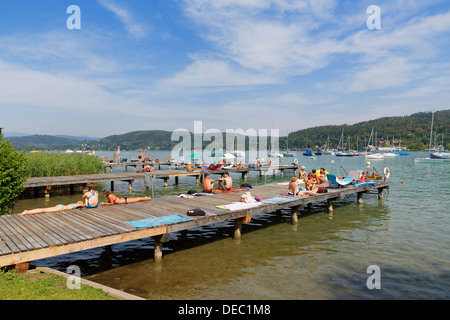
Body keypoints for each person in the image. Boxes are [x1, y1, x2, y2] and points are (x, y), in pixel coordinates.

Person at [20, 201, 85, 216]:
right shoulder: (77, 205)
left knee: (44, 209)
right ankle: (27, 212)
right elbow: (85, 205)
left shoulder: (73, 204)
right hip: (60, 208)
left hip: (60, 206)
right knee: (43, 210)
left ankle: (28, 211)